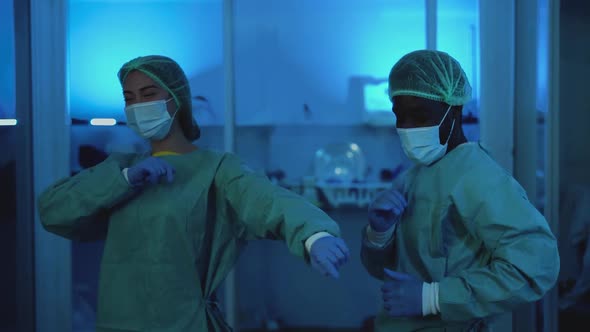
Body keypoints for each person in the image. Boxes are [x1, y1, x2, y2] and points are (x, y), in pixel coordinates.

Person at [38, 55, 350, 332]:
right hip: (117, 321)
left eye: (148, 95)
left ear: (177, 99)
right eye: (129, 98)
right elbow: (54, 211)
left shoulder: (216, 169)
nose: (137, 106)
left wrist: (314, 235)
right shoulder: (120, 169)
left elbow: (270, 200)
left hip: (183, 322)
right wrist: (126, 179)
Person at [360, 50, 560, 331]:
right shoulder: (413, 176)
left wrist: (434, 298)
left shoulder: (479, 178)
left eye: (418, 115)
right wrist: (378, 233)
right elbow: (386, 273)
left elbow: (537, 265)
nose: (405, 127)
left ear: (454, 110)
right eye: (399, 116)